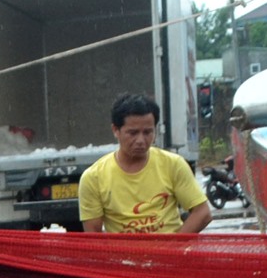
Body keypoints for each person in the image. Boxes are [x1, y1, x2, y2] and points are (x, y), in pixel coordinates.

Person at [77, 93, 211, 235]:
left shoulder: (173, 165)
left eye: (147, 132)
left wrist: (172, 247)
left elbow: (202, 213)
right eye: (133, 133)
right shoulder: (93, 178)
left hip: (169, 255)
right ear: (116, 130)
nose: (141, 140)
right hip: (124, 257)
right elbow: (93, 235)